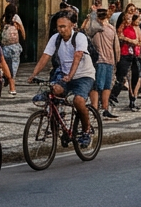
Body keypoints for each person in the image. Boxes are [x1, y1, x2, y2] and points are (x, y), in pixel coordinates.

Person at [25, 13, 94, 145]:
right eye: (58, 27)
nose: (61, 30)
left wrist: (71, 75)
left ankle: (86, 131)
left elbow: (78, 56)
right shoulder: (56, 38)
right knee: (54, 91)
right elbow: (46, 55)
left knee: (78, 101)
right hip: (66, 75)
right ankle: (59, 123)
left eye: (64, 26)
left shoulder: (79, 37)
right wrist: (33, 74)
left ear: (72, 25)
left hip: (83, 75)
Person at [87, 7, 119, 119]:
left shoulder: (96, 28)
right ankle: (101, 108)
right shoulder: (107, 29)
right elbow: (116, 47)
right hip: (106, 60)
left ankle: (99, 108)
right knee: (103, 86)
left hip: (102, 60)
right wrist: (116, 60)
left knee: (100, 86)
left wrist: (92, 14)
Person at [0, 3, 25, 94]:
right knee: (14, 66)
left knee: (5, 65)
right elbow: (21, 28)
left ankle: (6, 79)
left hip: (5, 46)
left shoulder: (3, 18)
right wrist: (23, 38)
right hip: (14, 46)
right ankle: (12, 87)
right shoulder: (16, 17)